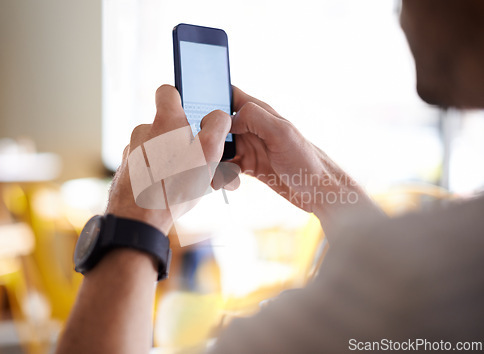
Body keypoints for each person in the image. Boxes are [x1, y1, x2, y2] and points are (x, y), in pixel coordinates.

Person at [56, 0, 484, 353]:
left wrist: (135, 215)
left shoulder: (414, 285)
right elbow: (399, 262)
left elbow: (399, 275)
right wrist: (322, 185)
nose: (399, 8)